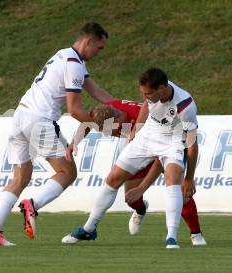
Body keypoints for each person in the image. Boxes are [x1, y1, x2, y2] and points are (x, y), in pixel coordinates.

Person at [0, 22, 114, 246]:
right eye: (99, 47)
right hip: (40, 121)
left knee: (20, 178)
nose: (99, 52)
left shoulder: (65, 55)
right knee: (67, 172)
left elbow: (95, 90)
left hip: (20, 117)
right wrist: (105, 124)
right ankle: (32, 205)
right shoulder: (74, 64)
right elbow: (74, 111)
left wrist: (122, 108)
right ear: (88, 41)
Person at [62, 67, 199, 249]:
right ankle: (89, 228)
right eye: (143, 93)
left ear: (162, 88)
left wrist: (189, 178)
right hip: (147, 135)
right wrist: (137, 130)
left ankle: (172, 237)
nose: (145, 96)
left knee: (173, 180)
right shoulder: (149, 94)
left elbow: (191, 144)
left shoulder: (185, 107)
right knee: (113, 179)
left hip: (172, 140)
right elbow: (145, 105)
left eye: (148, 93)